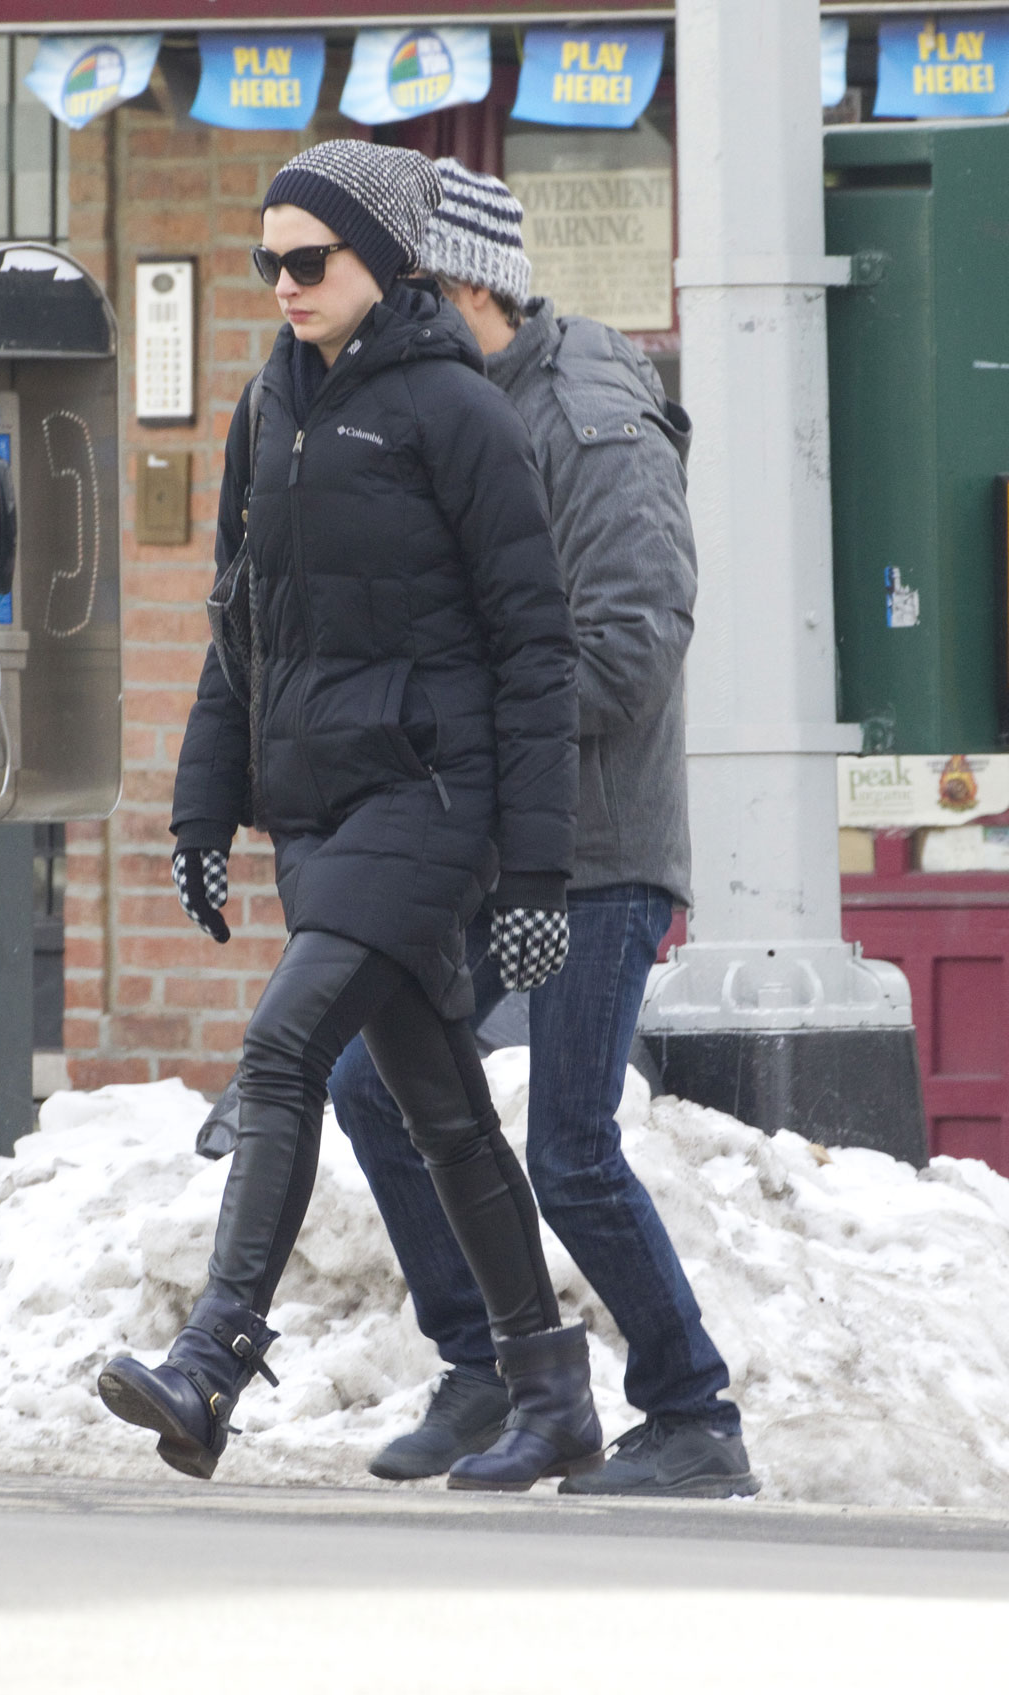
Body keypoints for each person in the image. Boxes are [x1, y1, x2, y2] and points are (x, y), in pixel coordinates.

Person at [97, 140, 604, 1493]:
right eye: (267, 262)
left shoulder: (459, 413)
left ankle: (211, 1361)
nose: (282, 284)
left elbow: (536, 649)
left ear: (382, 261)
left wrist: (540, 869)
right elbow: (239, 629)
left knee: (279, 1054)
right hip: (320, 816)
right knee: (445, 1108)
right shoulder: (268, 412)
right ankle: (548, 1389)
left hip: (433, 804)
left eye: (307, 260)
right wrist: (206, 805)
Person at [327, 159, 759, 1500]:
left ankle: (695, 1416)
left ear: (468, 290)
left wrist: (452, 711)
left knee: (570, 1147)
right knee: (371, 1084)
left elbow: (631, 651)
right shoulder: (456, 415)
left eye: (396, 298)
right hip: (483, 833)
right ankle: (489, 1368)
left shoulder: (586, 423)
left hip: (592, 847)